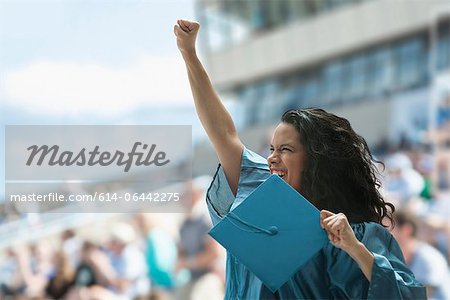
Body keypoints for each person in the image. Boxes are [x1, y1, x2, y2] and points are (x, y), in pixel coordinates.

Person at [174, 19, 426, 299]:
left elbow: (407, 295)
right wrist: (189, 54)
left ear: (318, 160)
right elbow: (223, 133)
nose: (272, 158)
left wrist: (354, 249)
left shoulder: (358, 234)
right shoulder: (257, 204)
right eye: (271, 149)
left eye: (285, 149)